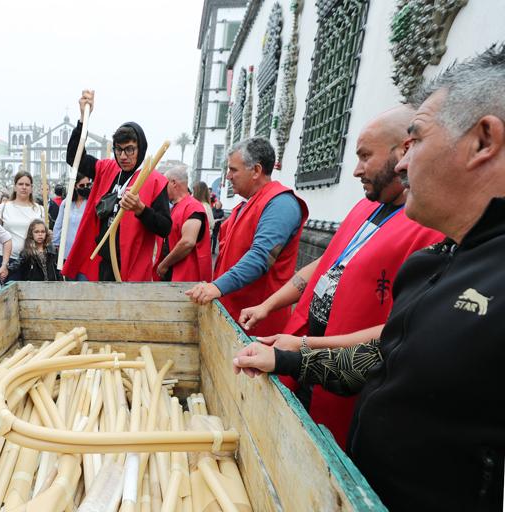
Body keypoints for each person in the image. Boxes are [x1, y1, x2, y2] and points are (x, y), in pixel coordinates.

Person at [234, 45, 505, 509]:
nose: (402, 163)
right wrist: (289, 361)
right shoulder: (437, 259)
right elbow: (382, 359)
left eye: (415, 141)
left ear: (482, 141)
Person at [238, 106, 444, 447]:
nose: (357, 170)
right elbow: (326, 264)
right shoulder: (367, 206)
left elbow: (399, 328)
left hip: (342, 375)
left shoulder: (428, 227)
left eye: (365, 156)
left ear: (404, 151)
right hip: (303, 358)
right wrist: (266, 306)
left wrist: (304, 348)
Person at [186, 138, 307, 335]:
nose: (228, 176)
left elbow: (261, 257)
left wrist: (217, 286)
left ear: (256, 171)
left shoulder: (280, 204)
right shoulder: (244, 205)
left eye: (233, 170)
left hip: (257, 322)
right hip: (234, 313)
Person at [62, 90, 172, 281]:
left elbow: (165, 227)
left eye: (130, 149)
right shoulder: (107, 169)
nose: (123, 156)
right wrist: (83, 119)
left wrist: (141, 209)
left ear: (140, 148)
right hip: (103, 262)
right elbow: (74, 157)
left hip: (132, 265)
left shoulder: (154, 180)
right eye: (118, 150)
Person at [156, 166, 211, 282]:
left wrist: (164, 264)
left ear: (173, 183)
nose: (162, 189)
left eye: (164, 185)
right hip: (173, 276)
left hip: (185, 278)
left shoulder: (193, 206)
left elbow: (187, 242)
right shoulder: (175, 207)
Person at [0, 171, 44, 281]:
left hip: (32, 261)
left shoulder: (39, 209)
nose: (24, 187)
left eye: (27, 185)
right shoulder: (3, 208)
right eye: (20, 184)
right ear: (15, 187)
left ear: (31, 188)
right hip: (8, 261)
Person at [52, 174, 90, 280]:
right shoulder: (66, 203)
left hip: (85, 254)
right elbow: (58, 225)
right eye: (82, 185)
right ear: (75, 186)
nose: (85, 188)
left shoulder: (91, 203)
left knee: (84, 286)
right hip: (67, 253)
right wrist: (57, 244)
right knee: (70, 286)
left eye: (88, 185)